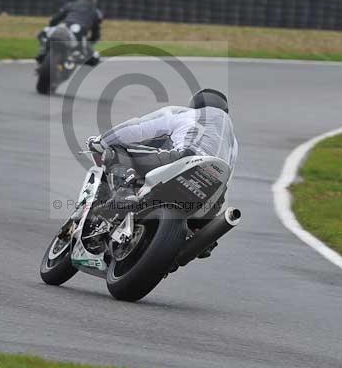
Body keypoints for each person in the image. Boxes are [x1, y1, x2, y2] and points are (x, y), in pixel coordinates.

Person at [86, 88, 238, 258]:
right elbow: (228, 176)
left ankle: (125, 193)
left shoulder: (186, 114)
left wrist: (102, 141)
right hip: (215, 191)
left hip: (186, 159)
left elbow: (138, 127)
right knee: (196, 228)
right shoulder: (233, 142)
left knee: (116, 150)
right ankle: (201, 239)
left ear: (194, 104)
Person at [36, 0, 103, 66]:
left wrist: (53, 26)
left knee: (43, 33)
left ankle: (43, 51)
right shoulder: (97, 12)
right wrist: (92, 40)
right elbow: (96, 31)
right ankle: (47, 52)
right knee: (94, 58)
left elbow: (55, 19)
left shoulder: (70, 5)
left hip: (64, 28)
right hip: (79, 34)